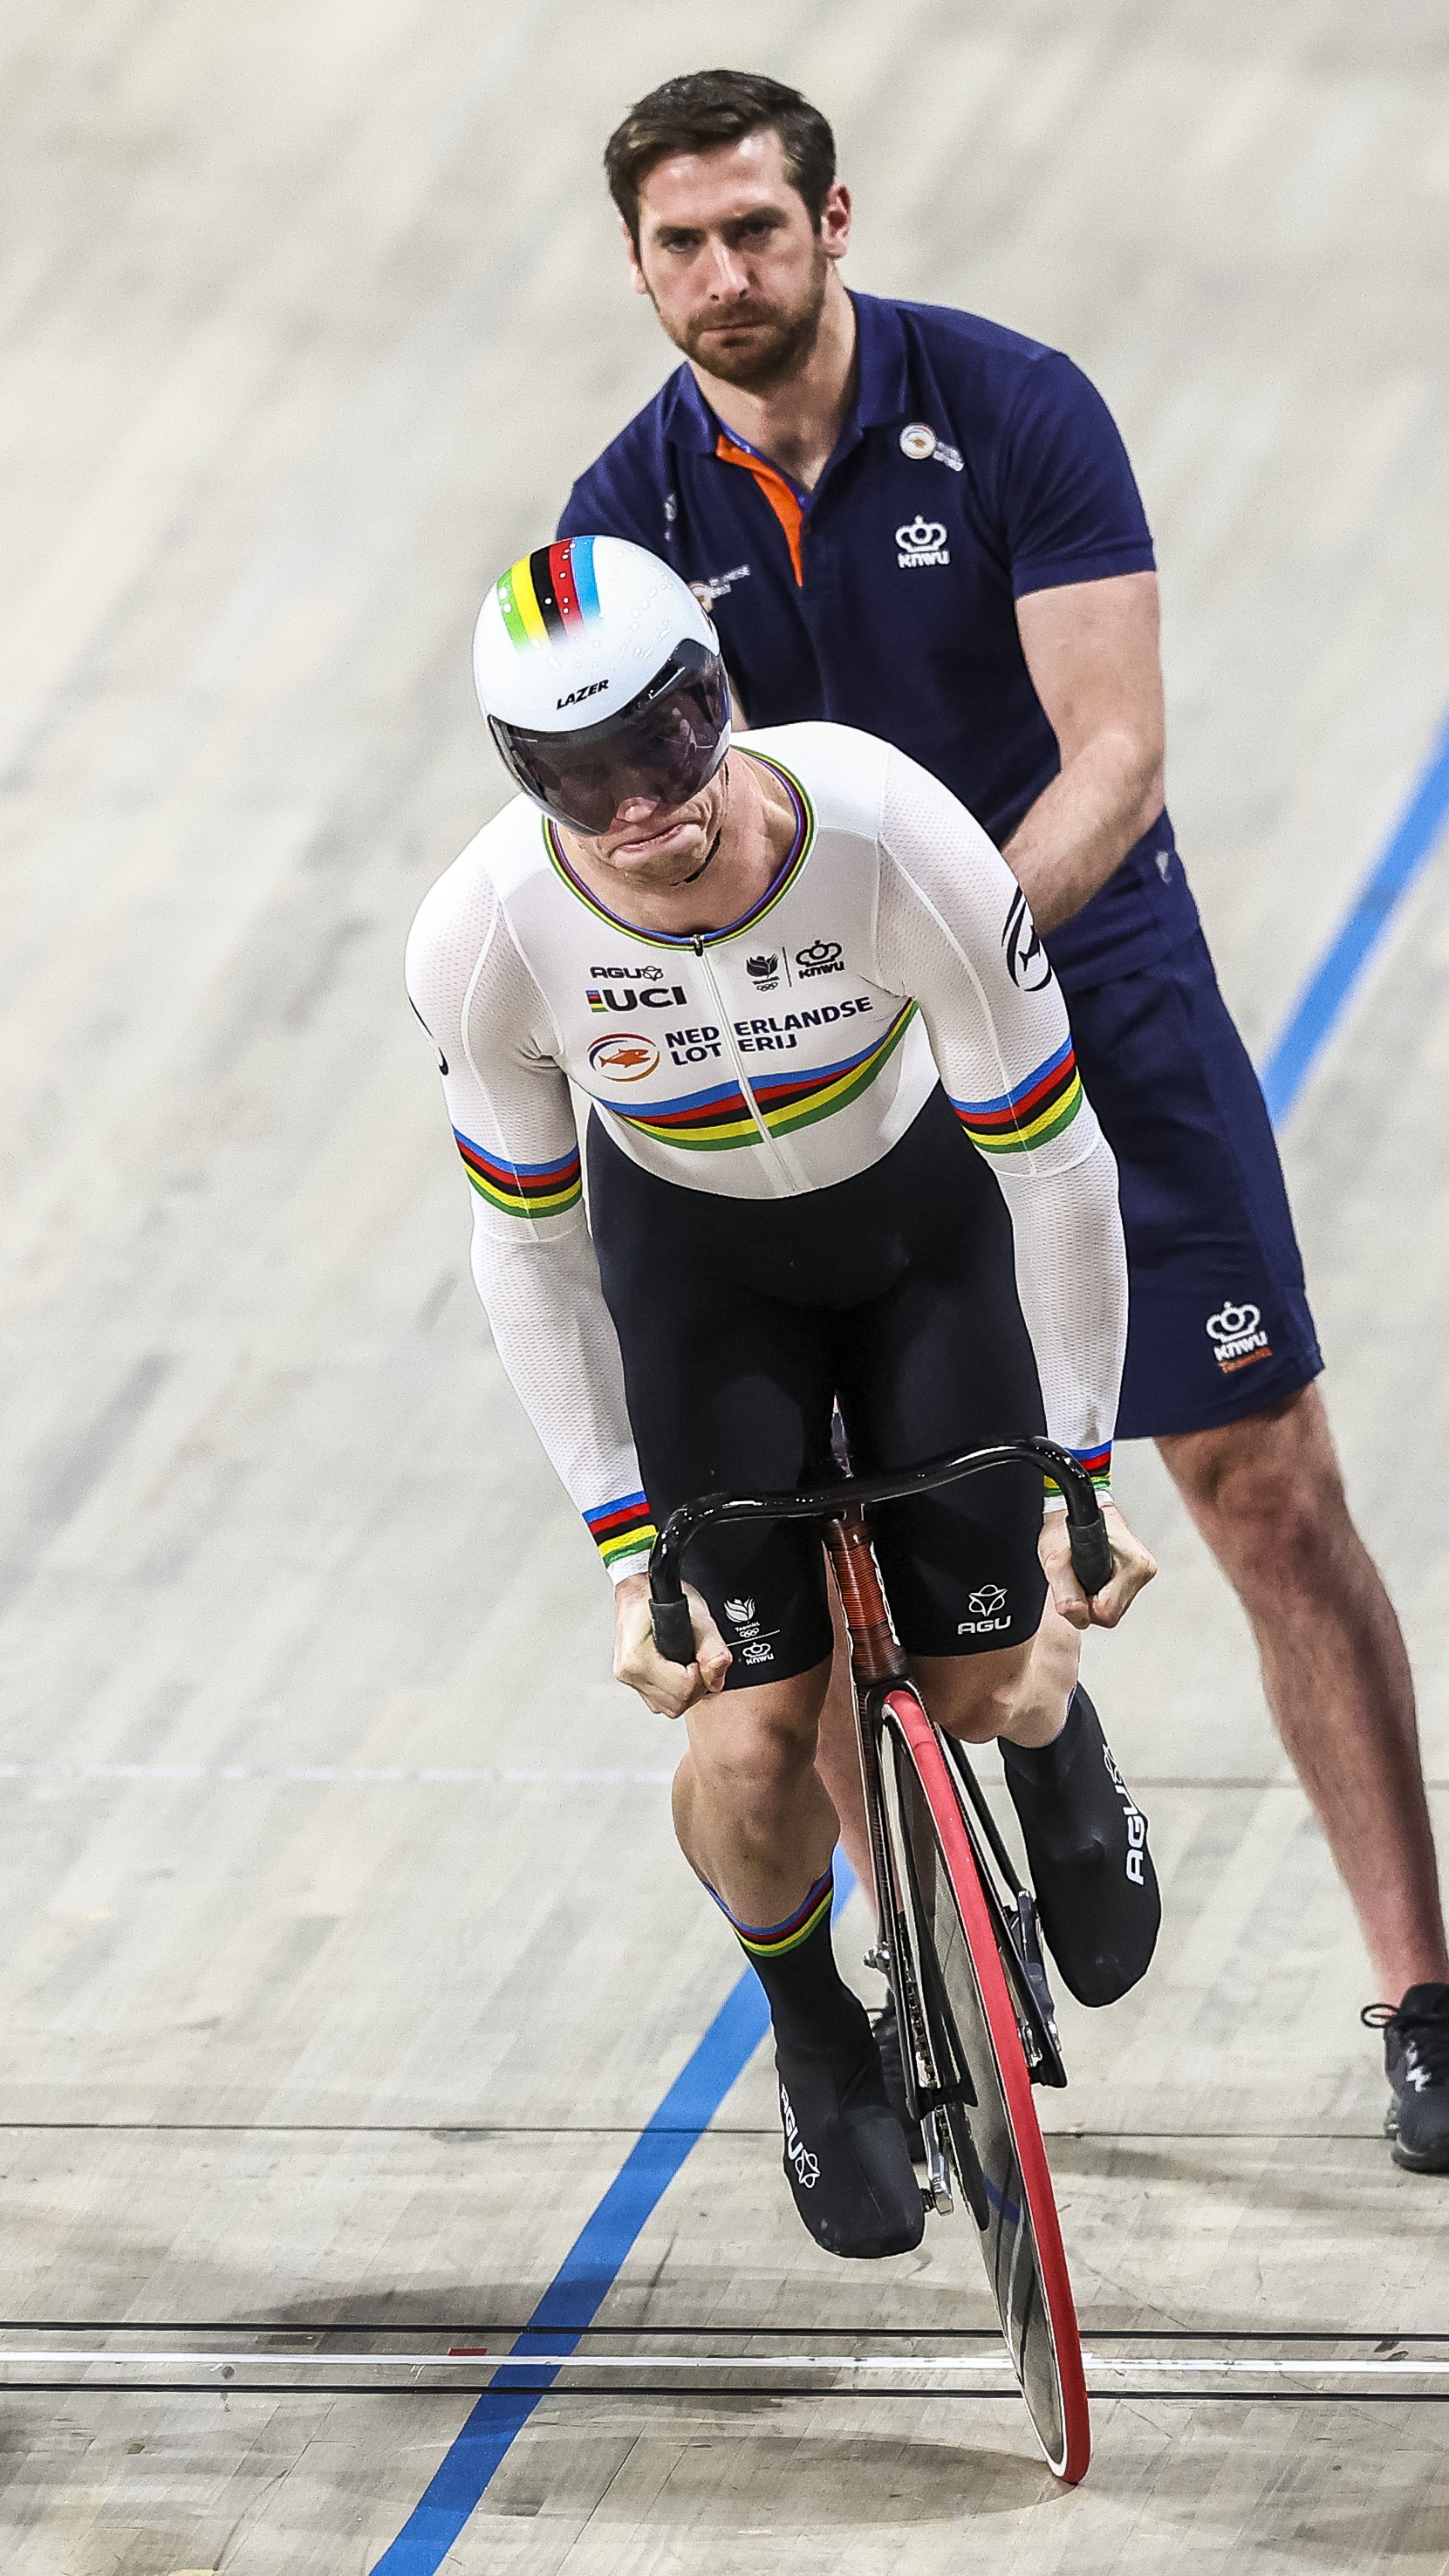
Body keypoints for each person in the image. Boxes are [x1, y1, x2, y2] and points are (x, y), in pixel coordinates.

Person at [557, 70, 1449, 2176]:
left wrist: (958, 941)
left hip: (1081, 986)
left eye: (756, 230)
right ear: (636, 265)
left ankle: (1422, 1992)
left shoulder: (1009, 411)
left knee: (1264, 1487)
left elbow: (1114, 753)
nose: (723, 276)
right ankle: (946, 1929)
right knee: (819, 1548)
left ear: (833, 220)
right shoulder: (621, 527)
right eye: (679, 245)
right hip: (817, 1068)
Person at [412, 536, 1170, 2257]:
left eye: (663, 746)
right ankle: (814, 2024)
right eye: (577, 775)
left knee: (984, 1672)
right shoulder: (486, 935)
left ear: (720, 697)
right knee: (748, 1738)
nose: (636, 807)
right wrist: (624, 1551)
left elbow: (1053, 1171)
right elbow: (523, 1254)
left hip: (919, 1242)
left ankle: (1048, 1735)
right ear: (522, 780)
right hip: (702, 1292)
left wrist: (1083, 1468)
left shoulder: (894, 835)